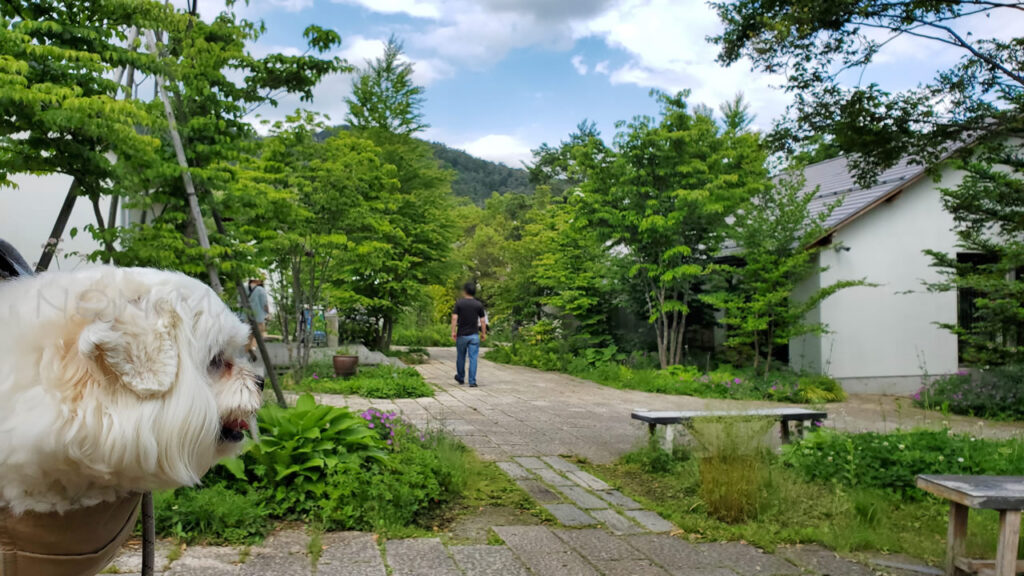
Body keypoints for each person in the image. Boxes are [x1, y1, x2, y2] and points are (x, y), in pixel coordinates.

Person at [451, 281, 486, 387]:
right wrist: (483, 333)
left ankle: (461, 377)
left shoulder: (459, 303)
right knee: (473, 358)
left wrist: (453, 331)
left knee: (461, 356)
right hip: (474, 335)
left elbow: (454, 317)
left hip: (462, 334)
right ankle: (472, 381)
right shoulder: (478, 304)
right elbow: (483, 320)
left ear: (465, 291)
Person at [246, 278, 269, 360]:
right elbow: (264, 303)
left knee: (249, 334)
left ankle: (247, 349)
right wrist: (267, 313)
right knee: (260, 333)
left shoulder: (244, 288)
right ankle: (253, 348)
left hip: (246, 315)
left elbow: (239, 301)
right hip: (258, 316)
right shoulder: (260, 289)